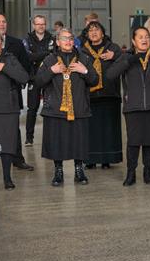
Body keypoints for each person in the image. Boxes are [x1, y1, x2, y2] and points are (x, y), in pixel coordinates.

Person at [106, 27, 150, 186]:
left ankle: (148, 172)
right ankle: (131, 173)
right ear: (133, 41)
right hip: (133, 106)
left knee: (149, 142)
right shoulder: (126, 57)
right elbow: (110, 75)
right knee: (133, 142)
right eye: (140, 37)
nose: (144, 39)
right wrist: (128, 61)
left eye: (147, 37)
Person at [34, 28, 98, 186]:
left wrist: (84, 70)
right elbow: (38, 81)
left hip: (78, 107)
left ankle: (79, 170)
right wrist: (51, 71)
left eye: (70, 38)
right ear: (57, 42)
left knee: (79, 141)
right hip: (56, 109)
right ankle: (58, 171)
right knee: (57, 142)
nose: (68, 41)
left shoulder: (83, 58)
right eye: (64, 39)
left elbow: (95, 80)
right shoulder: (50, 60)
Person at [0, 31, 29, 190]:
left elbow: (24, 77)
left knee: (7, 145)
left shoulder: (9, 59)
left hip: (9, 108)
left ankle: (7, 178)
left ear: (1, 43)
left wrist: (4, 67)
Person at [0, 13, 34, 171]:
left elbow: (25, 65)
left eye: (4, 22)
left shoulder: (16, 43)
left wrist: (17, 81)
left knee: (13, 129)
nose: (2, 24)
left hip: (12, 93)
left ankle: (18, 159)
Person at [80, 21, 123, 169]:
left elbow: (124, 61)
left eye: (96, 29)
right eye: (90, 30)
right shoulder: (82, 51)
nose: (93, 32)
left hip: (110, 95)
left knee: (109, 130)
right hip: (90, 96)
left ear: (103, 33)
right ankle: (90, 160)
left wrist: (115, 55)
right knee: (91, 130)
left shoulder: (113, 48)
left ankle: (107, 159)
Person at [23, 15, 56, 145]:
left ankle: (50, 138)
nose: (40, 26)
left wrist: (36, 56)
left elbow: (54, 55)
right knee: (32, 109)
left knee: (51, 108)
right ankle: (29, 138)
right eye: (38, 24)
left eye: (43, 24)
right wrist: (45, 54)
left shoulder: (52, 39)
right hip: (34, 78)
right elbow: (28, 58)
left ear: (45, 24)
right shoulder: (27, 40)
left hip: (49, 78)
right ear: (33, 25)